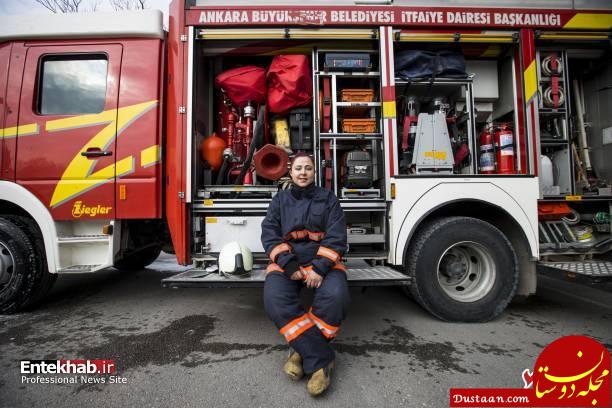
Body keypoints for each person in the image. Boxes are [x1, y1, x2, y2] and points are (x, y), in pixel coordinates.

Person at [261, 152, 349, 397]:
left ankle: (299, 352)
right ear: (290, 172)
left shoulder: (328, 199)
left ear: (314, 172)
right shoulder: (279, 200)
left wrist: (320, 268)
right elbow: (269, 234)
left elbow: (337, 235)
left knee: (336, 297)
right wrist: (289, 267)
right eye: (298, 168)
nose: (302, 173)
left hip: (323, 262)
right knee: (275, 300)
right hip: (289, 262)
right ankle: (322, 361)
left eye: (308, 168)